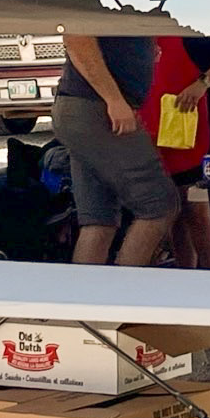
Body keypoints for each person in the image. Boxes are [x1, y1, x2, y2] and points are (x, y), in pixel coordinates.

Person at [55, 34, 179, 267]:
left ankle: (86, 298)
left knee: (98, 219)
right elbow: (77, 37)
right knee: (159, 204)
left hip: (83, 108)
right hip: (95, 108)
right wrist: (113, 99)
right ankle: (123, 291)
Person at [141, 35, 210, 270]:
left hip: (194, 136)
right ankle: (186, 273)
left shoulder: (184, 34)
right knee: (175, 212)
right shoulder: (133, 37)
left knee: (198, 210)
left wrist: (202, 83)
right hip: (156, 137)